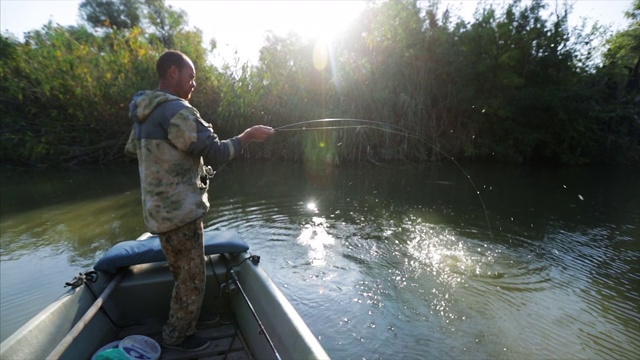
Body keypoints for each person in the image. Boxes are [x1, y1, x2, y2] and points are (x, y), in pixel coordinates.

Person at [125, 50, 274, 351]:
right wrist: (248, 135)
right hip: (181, 213)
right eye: (190, 76)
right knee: (192, 280)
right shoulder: (177, 111)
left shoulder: (144, 111)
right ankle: (178, 337)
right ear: (171, 73)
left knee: (182, 273)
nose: (194, 83)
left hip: (157, 212)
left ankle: (184, 323)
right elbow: (217, 153)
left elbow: (133, 152)